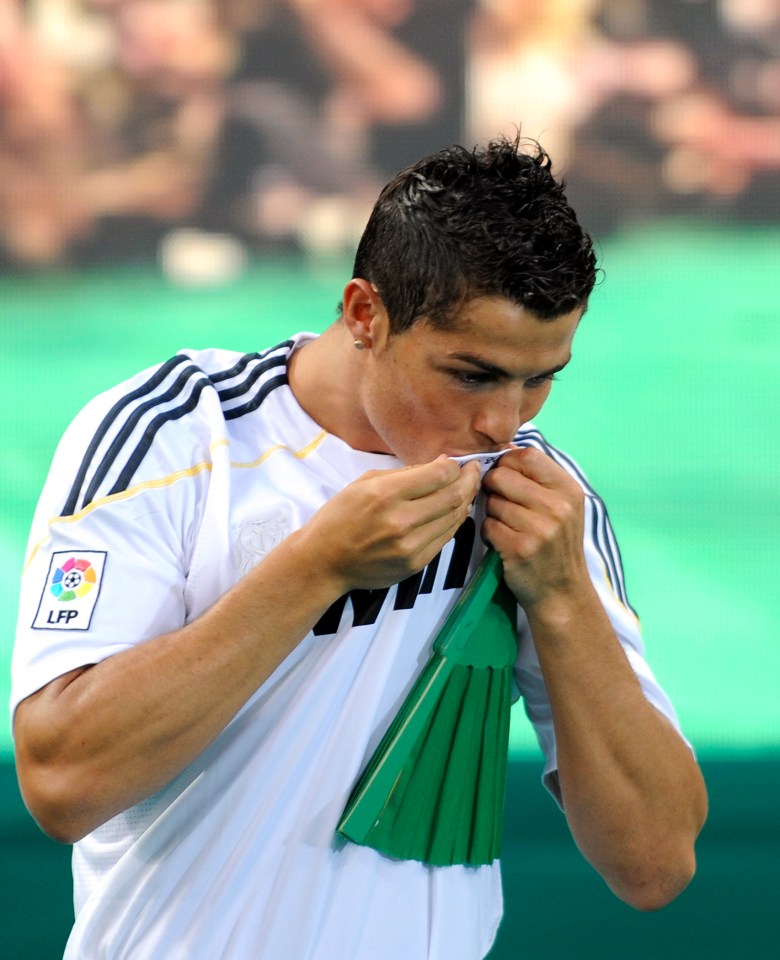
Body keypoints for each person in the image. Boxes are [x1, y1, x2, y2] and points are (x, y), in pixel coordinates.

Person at [11, 134, 707, 960]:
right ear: (364, 314)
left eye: (542, 376)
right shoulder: (172, 437)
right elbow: (60, 782)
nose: (506, 420)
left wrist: (562, 601)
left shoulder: (543, 505)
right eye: (474, 374)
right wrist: (318, 567)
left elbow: (656, 864)